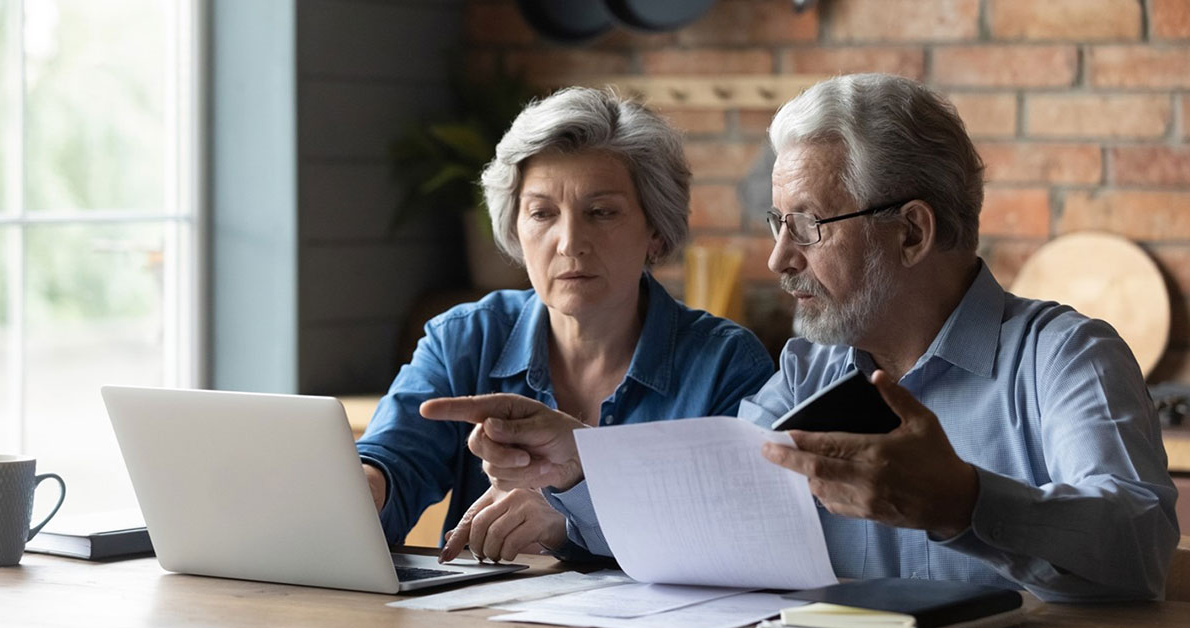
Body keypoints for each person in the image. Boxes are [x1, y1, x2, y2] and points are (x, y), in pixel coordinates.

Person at [421, 74, 1179, 602]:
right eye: (777, 225)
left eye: (808, 226)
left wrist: (963, 501)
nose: (781, 259)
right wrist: (581, 466)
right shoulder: (808, 368)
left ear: (912, 231)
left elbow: (1139, 549)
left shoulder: (1064, 355)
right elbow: (712, 509)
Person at [356, 87, 775, 564]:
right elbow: (395, 460)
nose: (570, 242)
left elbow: (741, 532)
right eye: (542, 213)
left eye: (601, 212)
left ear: (655, 231)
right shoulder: (465, 339)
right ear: (516, 229)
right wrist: (365, 491)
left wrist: (573, 521)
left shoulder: (726, 365)